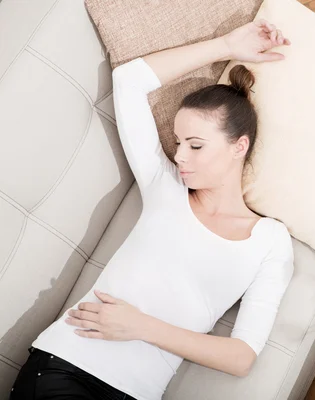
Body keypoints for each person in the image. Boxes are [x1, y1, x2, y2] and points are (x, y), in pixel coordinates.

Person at [9, 19, 294, 400]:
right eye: (177, 143)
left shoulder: (271, 242)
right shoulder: (166, 187)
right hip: (68, 365)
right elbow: (129, 80)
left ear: (238, 147)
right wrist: (226, 44)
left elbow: (241, 357)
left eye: (195, 145)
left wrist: (140, 326)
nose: (179, 156)